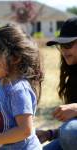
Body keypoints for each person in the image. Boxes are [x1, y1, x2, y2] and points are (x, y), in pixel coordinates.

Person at [36, 17, 77, 150]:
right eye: (61, 45)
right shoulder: (73, 72)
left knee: (70, 131)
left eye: (68, 44)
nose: (63, 50)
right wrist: (50, 134)